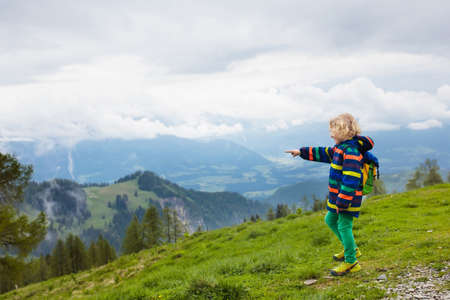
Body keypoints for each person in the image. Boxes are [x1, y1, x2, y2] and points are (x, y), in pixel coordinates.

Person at [285, 113, 374, 276]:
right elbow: (324, 153)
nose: (330, 133)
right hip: (338, 197)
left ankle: (351, 262)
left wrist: (343, 200)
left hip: (347, 198)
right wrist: (301, 152)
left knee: (344, 226)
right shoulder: (340, 148)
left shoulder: (351, 151)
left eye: (333, 129)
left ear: (344, 130)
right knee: (330, 219)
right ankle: (351, 249)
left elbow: (352, 178)